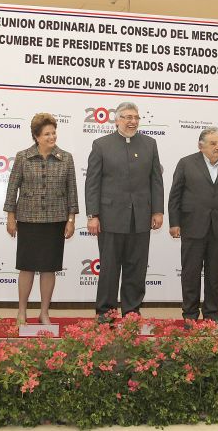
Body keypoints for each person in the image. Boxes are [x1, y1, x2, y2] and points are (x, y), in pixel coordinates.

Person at [85, 102, 164, 321]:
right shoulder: (101, 145)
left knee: (136, 268)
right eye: (128, 117)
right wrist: (93, 215)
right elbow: (92, 183)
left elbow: (156, 180)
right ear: (117, 119)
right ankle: (106, 313)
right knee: (109, 268)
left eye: (136, 117)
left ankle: (132, 312)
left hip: (140, 218)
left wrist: (158, 210)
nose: (132, 121)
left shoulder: (150, 144)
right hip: (110, 218)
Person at [4, 113, 79, 325]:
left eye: (54, 132)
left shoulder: (66, 158)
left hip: (56, 221)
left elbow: (71, 191)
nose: (52, 137)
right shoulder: (22, 157)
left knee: (49, 268)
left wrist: (71, 220)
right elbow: (12, 189)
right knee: (26, 267)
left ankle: (44, 312)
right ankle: (21, 312)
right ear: (36, 136)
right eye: (47, 134)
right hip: (28, 220)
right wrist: (11, 217)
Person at [168, 128, 218, 322]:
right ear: (200, 146)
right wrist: (174, 222)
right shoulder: (186, 163)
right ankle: (190, 315)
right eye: (213, 143)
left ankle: (212, 314)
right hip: (193, 227)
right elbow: (175, 196)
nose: (217, 147)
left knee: (215, 275)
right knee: (191, 274)